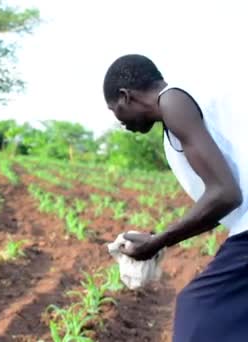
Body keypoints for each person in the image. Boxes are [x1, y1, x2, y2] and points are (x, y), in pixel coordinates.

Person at [103, 54, 248, 342]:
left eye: (114, 110)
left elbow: (225, 195)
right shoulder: (182, 106)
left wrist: (158, 241)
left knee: (199, 312)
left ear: (126, 96)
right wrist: (156, 238)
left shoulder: (173, 101)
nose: (119, 122)